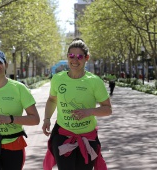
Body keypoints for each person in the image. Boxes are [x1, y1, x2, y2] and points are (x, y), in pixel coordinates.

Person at [42, 38, 112, 170]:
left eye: (79, 56)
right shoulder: (58, 79)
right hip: (62, 136)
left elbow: (107, 109)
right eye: (71, 56)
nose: (75, 60)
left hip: (88, 138)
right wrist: (47, 119)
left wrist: (89, 112)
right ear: (67, 57)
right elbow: (52, 99)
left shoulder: (94, 82)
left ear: (87, 58)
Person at [0, 49, 40, 170]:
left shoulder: (19, 88)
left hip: (13, 145)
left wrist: (10, 119)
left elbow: (35, 119)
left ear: (5, 65)